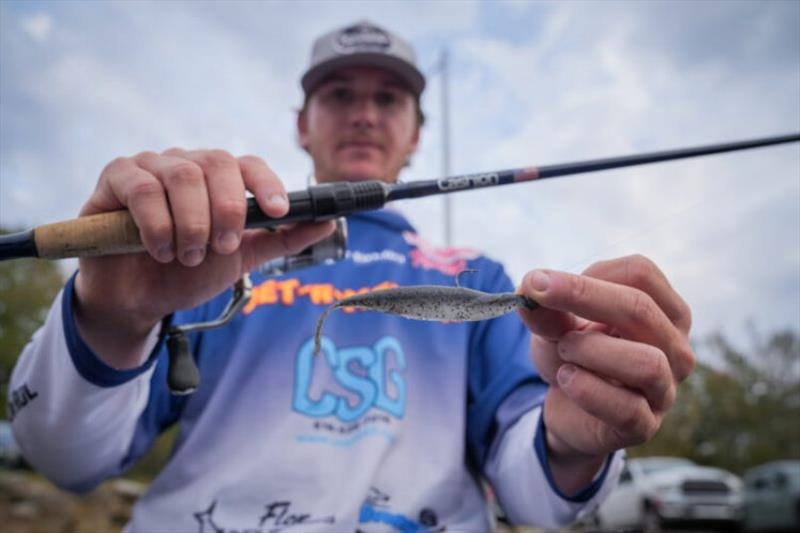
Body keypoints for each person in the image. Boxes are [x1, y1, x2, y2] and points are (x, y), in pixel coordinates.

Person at [8, 20, 694, 531]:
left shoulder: (477, 275)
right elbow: (66, 457)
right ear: (303, 125)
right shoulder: (202, 256)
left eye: (389, 99)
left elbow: (532, 493)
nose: (365, 113)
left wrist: (572, 433)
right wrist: (109, 316)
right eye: (340, 95)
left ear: (417, 132)